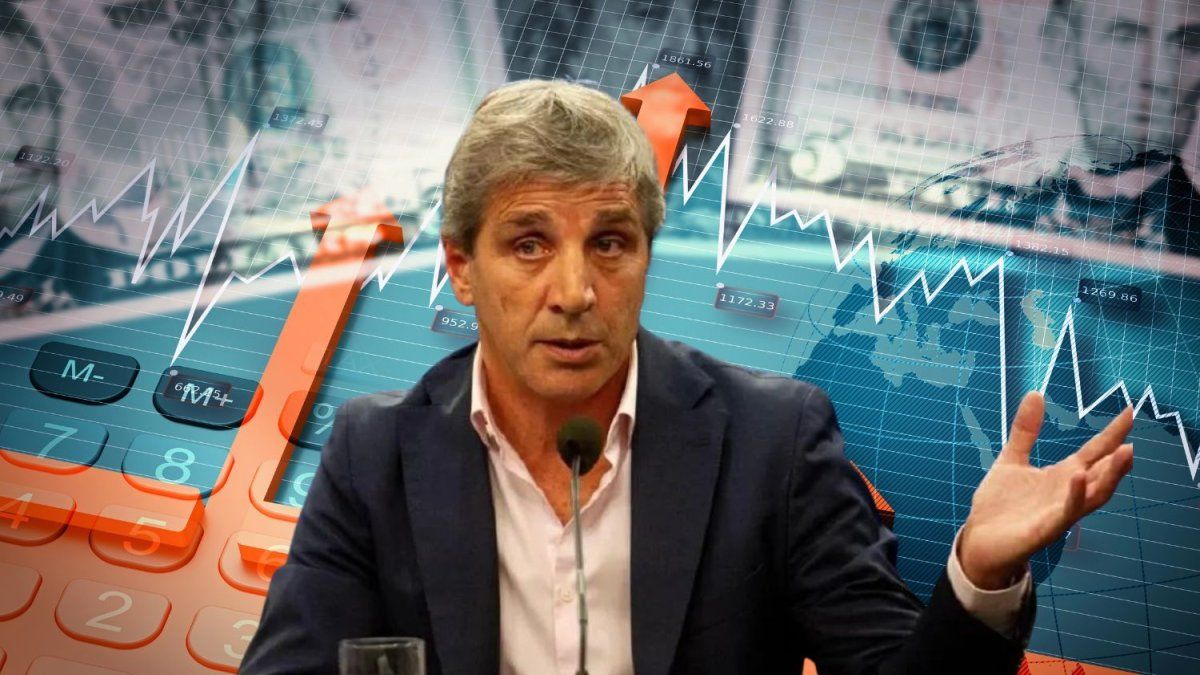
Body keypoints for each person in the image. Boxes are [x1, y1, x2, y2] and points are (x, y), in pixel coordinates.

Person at [240, 79, 1135, 675]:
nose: (574, 292)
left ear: (644, 257)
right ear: (461, 268)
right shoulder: (375, 451)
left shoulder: (776, 443)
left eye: (610, 243)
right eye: (529, 244)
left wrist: (979, 571)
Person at [955, 0, 1200, 258]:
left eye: (1191, 43)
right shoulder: (979, 227)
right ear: (1061, 46)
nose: (1160, 77)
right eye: (1126, 36)